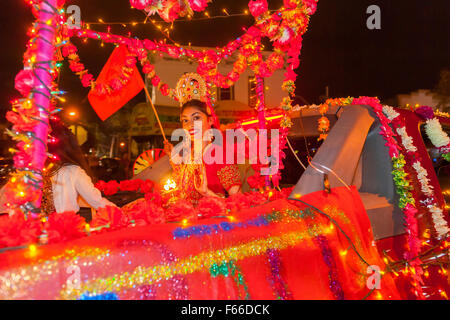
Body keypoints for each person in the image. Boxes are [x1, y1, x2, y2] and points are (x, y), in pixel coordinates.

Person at [163, 99, 242, 205]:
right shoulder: (189, 154)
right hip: (187, 218)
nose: (190, 125)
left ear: (210, 121)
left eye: (196, 118)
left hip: (214, 219)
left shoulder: (219, 154)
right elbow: (183, 187)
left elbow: (239, 202)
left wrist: (207, 193)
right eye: (185, 120)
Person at [41, 120, 115, 216]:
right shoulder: (72, 171)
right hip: (63, 227)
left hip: (36, 227)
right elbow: (97, 201)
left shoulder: (34, 170)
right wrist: (122, 213)